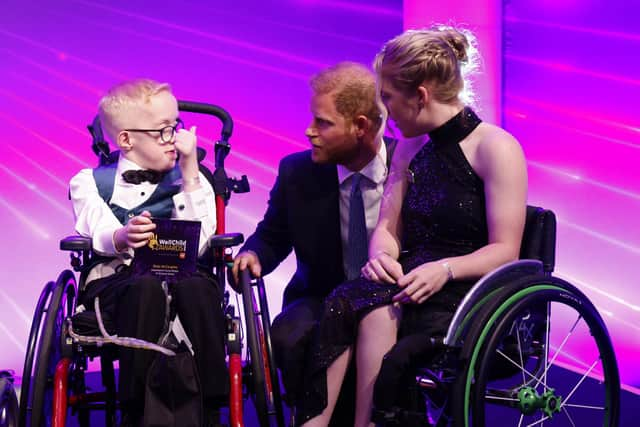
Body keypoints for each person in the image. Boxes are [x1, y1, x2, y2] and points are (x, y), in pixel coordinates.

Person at [300, 25, 528, 427]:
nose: (383, 110)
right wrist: (381, 255)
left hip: (467, 287)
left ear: (419, 97)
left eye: (387, 97)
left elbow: (505, 250)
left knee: (379, 311)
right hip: (409, 277)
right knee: (349, 299)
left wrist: (444, 270)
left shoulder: (496, 148)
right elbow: (387, 226)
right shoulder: (409, 148)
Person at [232, 62, 394, 425]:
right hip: (321, 295)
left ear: (360, 127)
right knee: (289, 336)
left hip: (391, 299)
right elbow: (273, 235)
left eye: (323, 122)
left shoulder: (408, 167)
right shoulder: (297, 171)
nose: (309, 132)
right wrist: (253, 253)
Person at [69, 78, 227, 426]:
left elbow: (202, 242)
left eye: (177, 126)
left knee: (198, 287)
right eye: (163, 131)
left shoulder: (193, 177)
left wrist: (189, 173)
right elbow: (95, 226)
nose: (176, 139)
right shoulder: (89, 181)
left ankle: (212, 406)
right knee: (144, 287)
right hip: (119, 279)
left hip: (183, 273)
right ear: (126, 140)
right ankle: (136, 408)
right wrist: (122, 235)